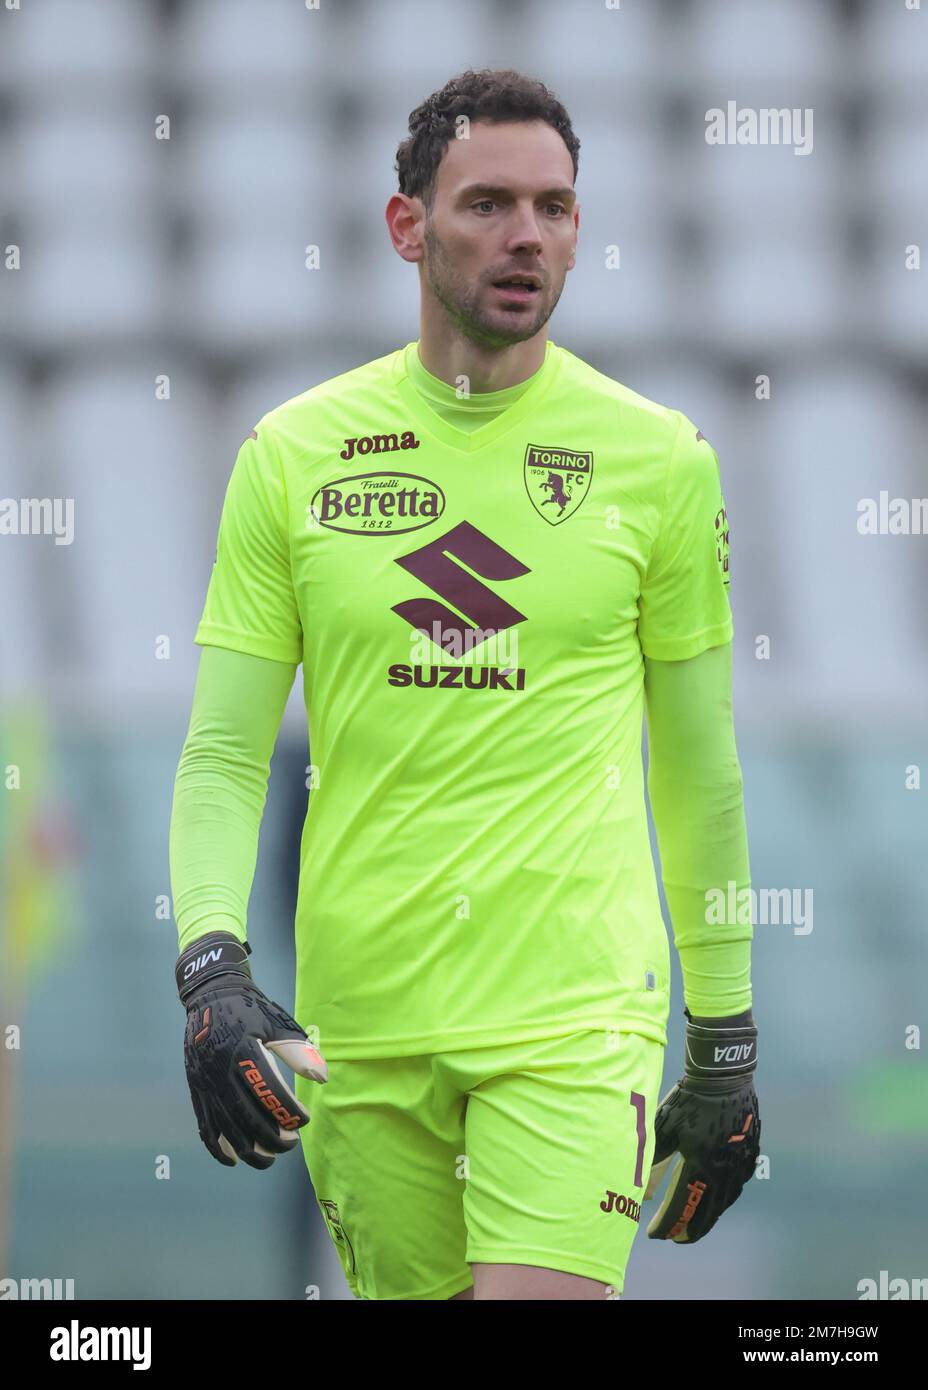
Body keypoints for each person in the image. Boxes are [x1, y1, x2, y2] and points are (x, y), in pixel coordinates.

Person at [170, 67, 759, 1302]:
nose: (527, 235)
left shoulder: (658, 460)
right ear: (408, 228)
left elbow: (698, 768)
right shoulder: (292, 456)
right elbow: (225, 752)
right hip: (363, 1023)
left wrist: (723, 1040)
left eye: (554, 206)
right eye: (487, 203)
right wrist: (213, 973)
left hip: (573, 1019)